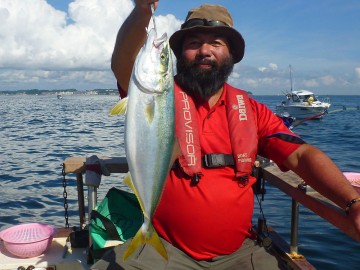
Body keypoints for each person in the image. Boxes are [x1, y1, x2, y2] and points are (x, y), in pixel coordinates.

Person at [93, 1, 360, 269]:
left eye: (216, 43)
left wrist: (353, 202)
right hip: (166, 248)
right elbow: (122, 64)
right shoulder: (158, 94)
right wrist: (142, 10)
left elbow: (301, 154)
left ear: (231, 54)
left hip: (240, 253)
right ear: (179, 53)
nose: (205, 51)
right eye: (194, 42)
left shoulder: (252, 111)